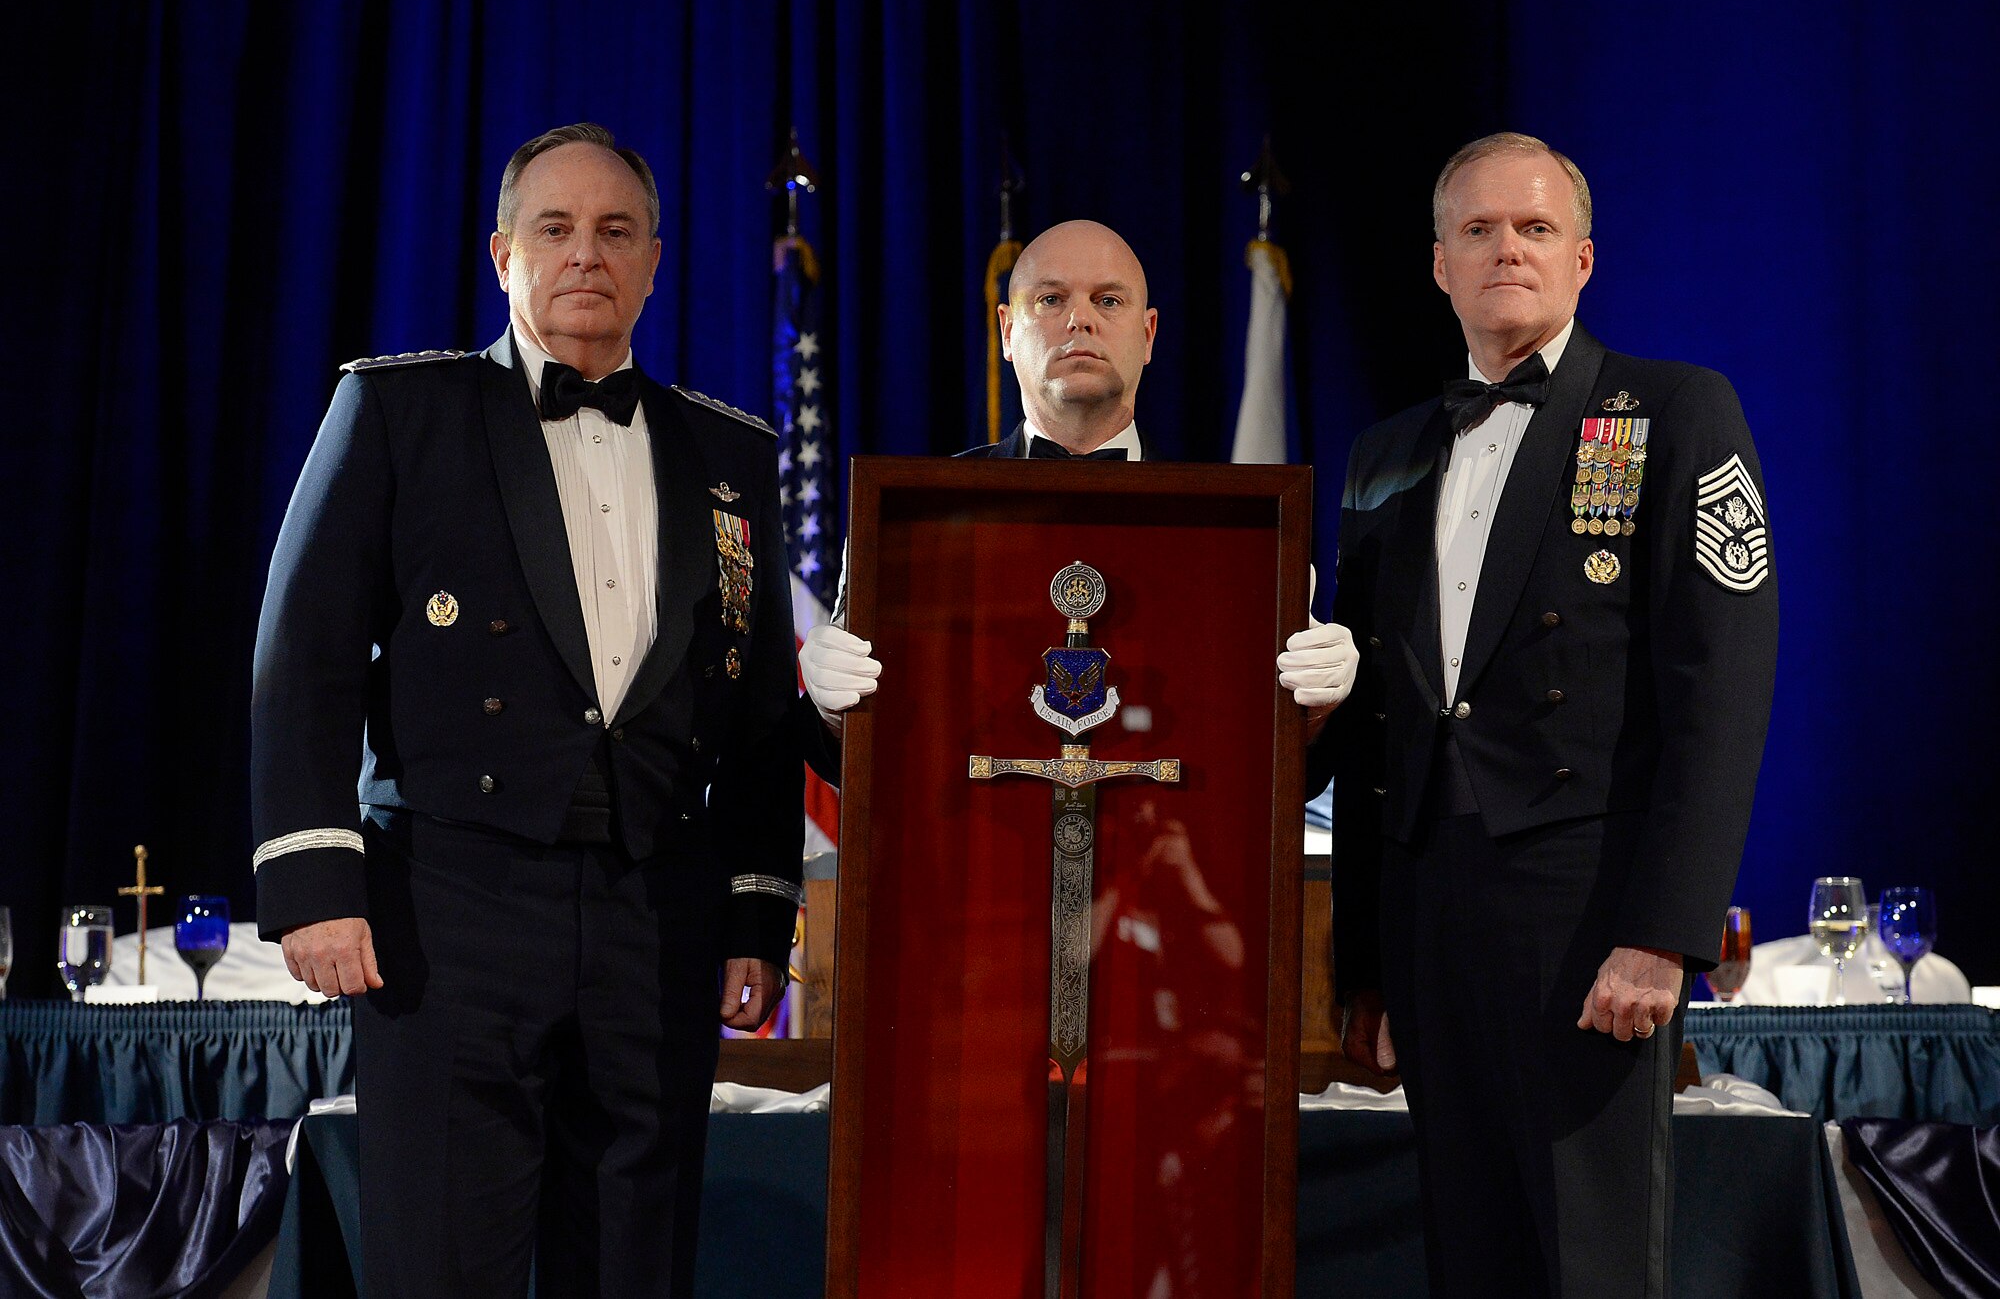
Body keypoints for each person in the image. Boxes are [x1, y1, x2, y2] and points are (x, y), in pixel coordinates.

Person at [250, 122, 802, 1297]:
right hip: (447, 911)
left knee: (633, 1261)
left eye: (614, 231)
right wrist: (313, 881)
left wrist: (757, 910)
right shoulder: (400, 411)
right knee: (444, 1259)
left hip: (656, 912)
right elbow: (304, 655)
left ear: (656, 260)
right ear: (503, 253)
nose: (584, 254)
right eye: (554, 228)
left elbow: (752, 699)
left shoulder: (730, 454)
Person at [1317, 132, 1779, 1297]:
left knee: (1592, 1257)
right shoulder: (1382, 455)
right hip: (1428, 913)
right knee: (1468, 1251)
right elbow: (1375, 728)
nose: (1504, 250)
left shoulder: (1672, 411)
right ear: (1437, 264)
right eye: (1477, 230)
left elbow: (1719, 692)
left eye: (1531, 229)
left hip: (1586, 913)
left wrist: (1660, 931)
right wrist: (1363, 958)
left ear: (1581, 259)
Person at [798, 218, 1358, 753]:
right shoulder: (919, 522)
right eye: (1051, 299)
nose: (1080, 320)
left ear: (1148, 334)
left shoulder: (1231, 533)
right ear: (1008, 331)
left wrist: (1315, 715)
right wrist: (830, 713)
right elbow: (868, 765)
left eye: (1108, 300)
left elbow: (1271, 767)